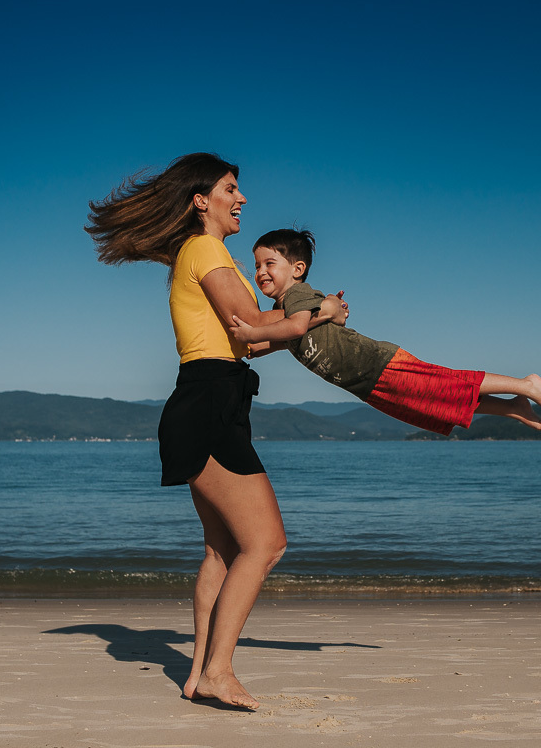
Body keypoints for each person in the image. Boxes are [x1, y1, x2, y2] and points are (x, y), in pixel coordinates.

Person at [85, 155, 347, 711]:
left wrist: (303, 323)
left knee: (224, 550)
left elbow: (251, 343)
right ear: (202, 200)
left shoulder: (202, 253)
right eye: (232, 189)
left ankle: (200, 672)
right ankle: (218, 672)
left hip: (209, 398)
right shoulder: (204, 249)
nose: (243, 199)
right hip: (208, 404)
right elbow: (251, 325)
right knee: (267, 544)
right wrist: (318, 312)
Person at [230, 228, 541, 435]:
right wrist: (247, 346)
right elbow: (277, 340)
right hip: (368, 386)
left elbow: (296, 327)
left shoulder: (297, 297)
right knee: (437, 404)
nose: (260, 272)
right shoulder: (284, 313)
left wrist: (249, 333)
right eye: (257, 265)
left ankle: (526, 385)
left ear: (297, 269)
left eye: (268, 264)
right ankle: (512, 408)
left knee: (447, 383)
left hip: (378, 364)